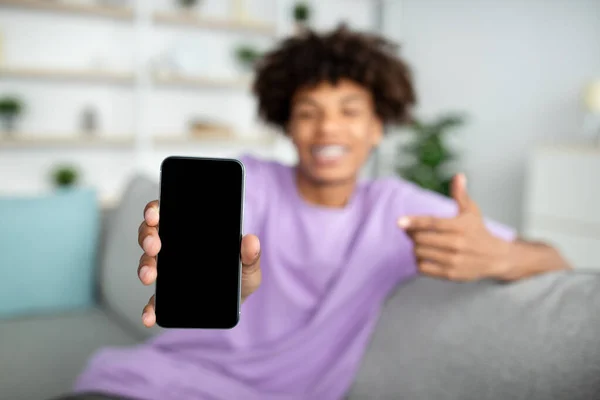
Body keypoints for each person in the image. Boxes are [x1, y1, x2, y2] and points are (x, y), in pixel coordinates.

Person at [56, 25, 571, 400]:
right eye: (308, 113)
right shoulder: (252, 180)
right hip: (155, 380)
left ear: (377, 126)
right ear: (287, 125)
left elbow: (555, 260)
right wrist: (217, 268)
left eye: (349, 111)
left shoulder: (397, 208)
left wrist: (498, 256)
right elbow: (232, 250)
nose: (328, 129)